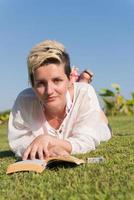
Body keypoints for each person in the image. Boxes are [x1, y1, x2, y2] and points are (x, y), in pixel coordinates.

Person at [8, 40, 111, 160]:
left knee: (101, 121)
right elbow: (18, 140)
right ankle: (80, 81)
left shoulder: (85, 93)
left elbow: (87, 139)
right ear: (32, 85)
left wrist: (50, 141)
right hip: (73, 91)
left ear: (68, 79)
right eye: (40, 83)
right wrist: (50, 148)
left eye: (57, 80)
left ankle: (82, 83)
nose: (49, 91)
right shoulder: (24, 100)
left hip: (100, 125)